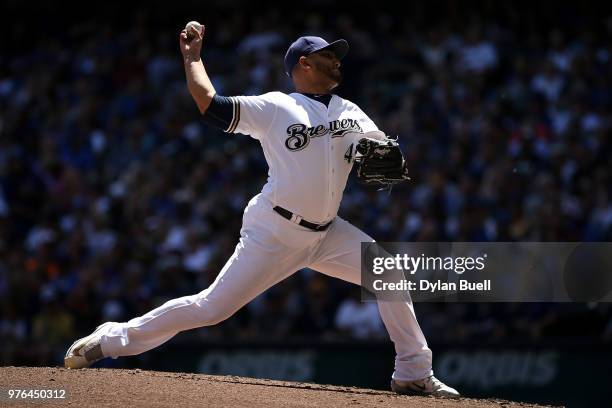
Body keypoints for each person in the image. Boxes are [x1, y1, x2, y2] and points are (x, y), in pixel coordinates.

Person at [64, 24, 460, 398]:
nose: (336, 61)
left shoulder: (350, 110)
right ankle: (113, 338)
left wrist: (384, 154)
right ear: (303, 65)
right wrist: (192, 58)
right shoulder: (276, 107)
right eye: (327, 56)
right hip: (274, 230)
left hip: (327, 233)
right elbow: (211, 105)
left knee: (387, 271)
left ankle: (412, 373)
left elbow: (377, 151)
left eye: (336, 56)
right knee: (211, 308)